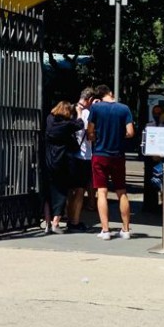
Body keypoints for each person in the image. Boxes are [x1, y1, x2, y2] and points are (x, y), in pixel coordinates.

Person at [86, 84, 135, 240]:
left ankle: (105, 230)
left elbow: (90, 131)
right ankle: (126, 229)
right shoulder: (124, 109)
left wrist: (94, 137)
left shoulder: (96, 109)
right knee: (121, 191)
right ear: (111, 93)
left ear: (99, 97)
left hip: (100, 153)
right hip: (118, 155)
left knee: (102, 191)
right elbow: (130, 132)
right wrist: (120, 136)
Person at [43, 101, 83, 234]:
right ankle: (56, 222)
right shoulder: (67, 125)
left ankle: (47, 223)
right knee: (61, 193)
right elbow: (80, 124)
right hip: (62, 163)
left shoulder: (49, 120)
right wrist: (79, 112)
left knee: (48, 193)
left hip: (48, 161)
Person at [66, 88, 96, 231]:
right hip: (83, 155)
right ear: (89, 100)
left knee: (70, 190)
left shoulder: (69, 109)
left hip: (69, 155)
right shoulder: (87, 113)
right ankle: (75, 221)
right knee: (79, 191)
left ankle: (67, 217)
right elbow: (90, 135)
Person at [141, 103, 164, 213]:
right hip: (150, 158)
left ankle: (163, 206)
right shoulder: (148, 126)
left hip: (163, 158)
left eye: (159, 113)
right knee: (150, 182)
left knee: (163, 184)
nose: (157, 115)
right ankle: (149, 205)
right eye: (155, 113)